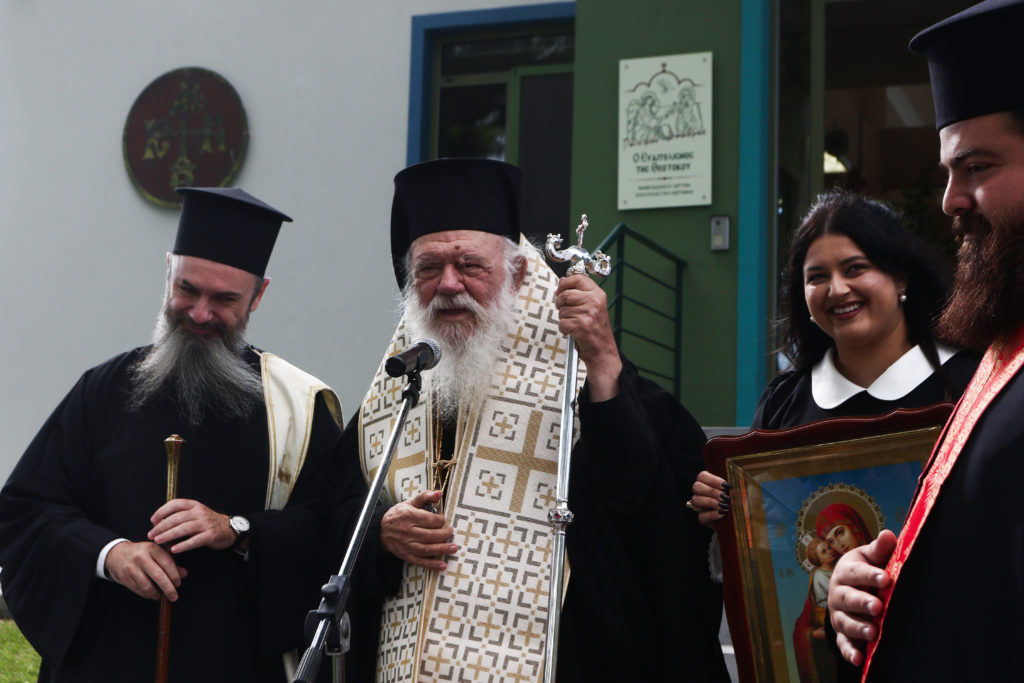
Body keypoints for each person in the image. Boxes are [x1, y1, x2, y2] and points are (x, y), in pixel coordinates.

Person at [342, 158, 729, 682]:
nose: (448, 284)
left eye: (470, 266)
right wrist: (380, 536)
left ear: (519, 273)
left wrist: (604, 361)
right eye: (428, 268)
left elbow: (644, 503)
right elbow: (324, 520)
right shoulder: (390, 400)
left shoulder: (585, 375)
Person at [0, 188, 357, 682]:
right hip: (108, 663)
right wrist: (109, 555)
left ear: (259, 294)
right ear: (168, 271)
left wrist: (237, 530)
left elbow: (332, 531)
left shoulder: (296, 408)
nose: (201, 312)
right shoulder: (103, 390)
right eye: (188, 289)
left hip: (234, 665)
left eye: (225, 298)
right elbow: (27, 509)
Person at [828, 2, 1024, 679]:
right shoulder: (1002, 353)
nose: (950, 199)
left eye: (975, 166)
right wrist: (876, 584)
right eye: (948, 172)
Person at [690, 189, 978, 521]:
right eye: (817, 277)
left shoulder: (969, 384)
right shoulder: (783, 403)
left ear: (900, 278)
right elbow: (767, 533)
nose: (837, 289)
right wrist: (722, 505)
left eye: (855, 269)